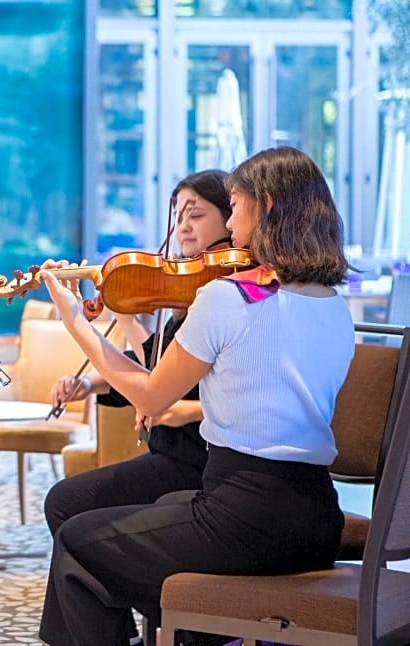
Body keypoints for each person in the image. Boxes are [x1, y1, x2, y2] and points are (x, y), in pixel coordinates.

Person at [37, 147, 354, 646]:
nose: (230, 219)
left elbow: (150, 396)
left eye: (234, 205)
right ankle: (192, 634)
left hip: (245, 516)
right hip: (318, 518)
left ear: (265, 206)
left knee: (78, 543)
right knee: (158, 507)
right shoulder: (336, 306)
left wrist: (77, 322)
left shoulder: (227, 297)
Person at [43, 169, 233, 548]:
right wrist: (89, 382)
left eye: (195, 215)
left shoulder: (223, 294)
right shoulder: (190, 289)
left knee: (68, 507)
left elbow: (164, 380)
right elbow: (158, 361)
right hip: (172, 451)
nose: (183, 229)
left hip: (198, 459)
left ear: (232, 219)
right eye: (177, 217)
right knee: (67, 504)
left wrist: (107, 319)